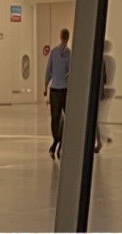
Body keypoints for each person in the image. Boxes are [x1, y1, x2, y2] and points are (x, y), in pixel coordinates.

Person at [45, 27, 71, 157]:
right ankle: (57, 141)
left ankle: (57, 142)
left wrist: (45, 87)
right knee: (57, 118)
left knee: (57, 118)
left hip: (60, 90)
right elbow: (49, 71)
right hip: (58, 89)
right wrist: (45, 87)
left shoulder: (66, 53)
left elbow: (48, 72)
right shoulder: (56, 52)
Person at [93, 39, 116, 154]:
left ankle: (101, 140)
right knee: (103, 116)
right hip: (111, 90)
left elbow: (101, 78)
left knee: (97, 118)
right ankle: (105, 136)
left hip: (102, 90)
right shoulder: (112, 60)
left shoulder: (101, 60)